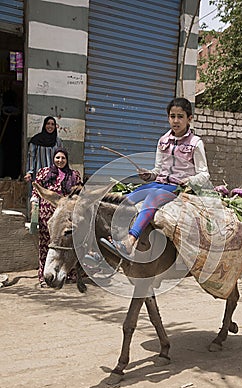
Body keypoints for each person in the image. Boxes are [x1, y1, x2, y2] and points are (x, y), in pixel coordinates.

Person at [99, 97, 211, 260]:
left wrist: (190, 181)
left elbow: (204, 173)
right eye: (172, 116)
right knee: (124, 201)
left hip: (177, 188)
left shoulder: (196, 143)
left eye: (180, 116)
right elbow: (158, 170)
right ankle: (108, 243)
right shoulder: (163, 140)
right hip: (159, 184)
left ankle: (131, 240)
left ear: (189, 119)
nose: (176, 121)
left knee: (152, 198)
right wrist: (149, 175)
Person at [31, 148, 82, 287]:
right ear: (53, 158)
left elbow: (79, 193)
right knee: (46, 245)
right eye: (58, 158)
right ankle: (44, 276)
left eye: (63, 158)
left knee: (66, 244)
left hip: (65, 215)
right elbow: (36, 190)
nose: (60, 160)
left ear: (67, 160)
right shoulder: (44, 172)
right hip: (47, 214)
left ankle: (68, 274)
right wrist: (34, 206)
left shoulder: (74, 175)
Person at [24, 116, 62, 182]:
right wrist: (29, 172)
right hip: (39, 175)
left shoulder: (58, 141)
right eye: (48, 124)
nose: (50, 126)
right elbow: (31, 157)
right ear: (44, 125)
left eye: (52, 124)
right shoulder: (36, 140)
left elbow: (61, 156)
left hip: (54, 175)